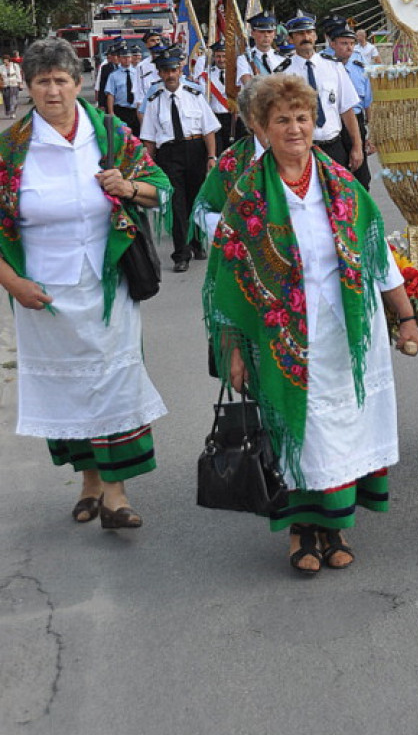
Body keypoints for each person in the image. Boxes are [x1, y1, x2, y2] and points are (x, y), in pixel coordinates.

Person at [204, 73, 418, 575]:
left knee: (340, 428)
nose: (295, 128)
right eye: (282, 119)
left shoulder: (342, 185)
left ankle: (334, 524)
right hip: (280, 337)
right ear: (261, 127)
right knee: (297, 429)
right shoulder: (247, 199)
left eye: (303, 117)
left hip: (345, 333)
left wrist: (404, 317)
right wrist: (232, 348)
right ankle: (301, 529)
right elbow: (229, 281)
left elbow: (377, 257)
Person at [0, 38, 171, 529]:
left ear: (79, 83)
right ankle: (90, 481)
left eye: (61, 79)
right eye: (42, 81)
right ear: (28, 87)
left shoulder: (111, 134)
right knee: (71, 392)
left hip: (107, 285)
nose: (52, 90)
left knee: (114, 383)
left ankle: (116, 495)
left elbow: (160, 189)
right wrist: (13, 284)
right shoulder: (11, 150)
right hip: (43, 296)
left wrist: (128, 187)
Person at [140, 46, 220, 272]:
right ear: (160, 73)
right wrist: (149, 168)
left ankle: (197, 243)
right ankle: (181, 254)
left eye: (173, 69)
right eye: (165, 71)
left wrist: (212, 156)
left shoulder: (194, 95)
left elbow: (209, 129)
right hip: (169, 155)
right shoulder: (154, 101)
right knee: (176, 205)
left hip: (195, 150)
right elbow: (149, 139)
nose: (170, 75)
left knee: (196, 201)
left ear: (181, 68)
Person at [190, 79, 267, 246]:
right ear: (249, 120)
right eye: (262, 114)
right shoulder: (232, 161)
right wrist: (236, 234)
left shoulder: (306, 156)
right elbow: (203, 209)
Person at [284, 13, 363, 170]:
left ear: (315, 36)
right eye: (300, 34)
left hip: (333, 146)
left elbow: (347, 110)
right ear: (291, 39)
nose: (305, 37)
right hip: (300, 150)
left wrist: (357, 146)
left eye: (309, 32)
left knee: (338, 193)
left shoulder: (334, 66)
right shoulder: (282, 73)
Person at [328, 20, 372, 190]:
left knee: (361, 176)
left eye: (352, 43)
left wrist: (371, 132)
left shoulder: (360, 65)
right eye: (344, 43)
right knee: (336, 176)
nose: (349, 47)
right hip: (334, 122)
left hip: (356, 121)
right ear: (332, 44)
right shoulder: (323, 64)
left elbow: (367, 101)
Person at [105, 42, 140, 134]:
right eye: (124, 57)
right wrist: (111, 112)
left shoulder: (138, 73)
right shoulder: (113, 75)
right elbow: (110, 94)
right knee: (122, 136)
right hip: (121, 110)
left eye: (128, 57)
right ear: (119, 59)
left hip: (136, 109)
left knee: (137, 136)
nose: (127, 60)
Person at [95, 45, 120, 110]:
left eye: (117, 55)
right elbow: (102, 85)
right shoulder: (105, 68)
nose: (116, 58)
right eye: (114, 56)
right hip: (109, 101)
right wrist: (101, 104)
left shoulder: (127, 68)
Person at [0, 51, 23, 118]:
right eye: (4, 60)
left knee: (14, 99)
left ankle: (13, 113)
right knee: (6, 100)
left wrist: (20, 83)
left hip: (14, 84)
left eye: (6, 60)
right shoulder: (1, 67)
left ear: (9, 60)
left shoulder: (15, 66)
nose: (5, 62)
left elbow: (18, 75)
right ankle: (8, 111)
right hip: (5, 85)